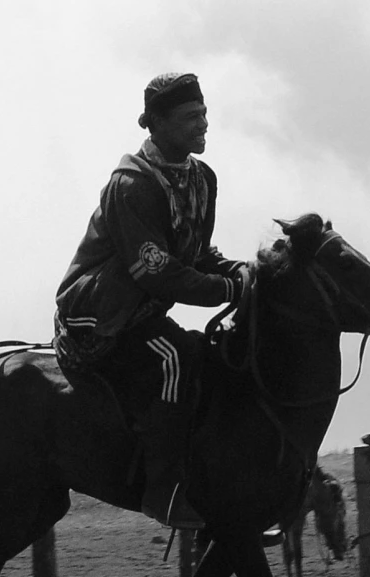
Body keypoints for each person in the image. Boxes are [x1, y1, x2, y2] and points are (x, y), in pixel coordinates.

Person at [55, 72, 248, 527]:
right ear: (155, 124)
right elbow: (158, 271)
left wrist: (241, 271)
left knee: (217, 357)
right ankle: (162, 493)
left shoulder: (202, 178)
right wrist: (229, 290)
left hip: (142, 311)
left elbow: (196, 254)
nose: (202, 125)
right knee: (178, 357)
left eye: (203, 114)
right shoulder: (132, 186)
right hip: (100, 317)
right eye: (188, 117)